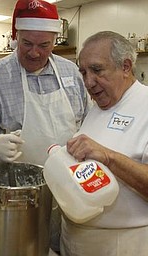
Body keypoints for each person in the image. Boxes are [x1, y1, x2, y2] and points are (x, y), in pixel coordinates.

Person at [0, 0, 92, 253]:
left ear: (55, 40)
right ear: (15, 37)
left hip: (71, 190)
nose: (34, 53)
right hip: (20, 199)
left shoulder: (72, 73)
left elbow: (88, 123)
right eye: (27, 44)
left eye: (44, 45)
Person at [60, 31, 148, 255]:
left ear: (126, 67)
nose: (89, 82)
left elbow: (106, 156)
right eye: (83, 72)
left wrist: (109, 157)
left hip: (123, 244)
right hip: (76, 240)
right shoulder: (98, 107)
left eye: (97, 70)